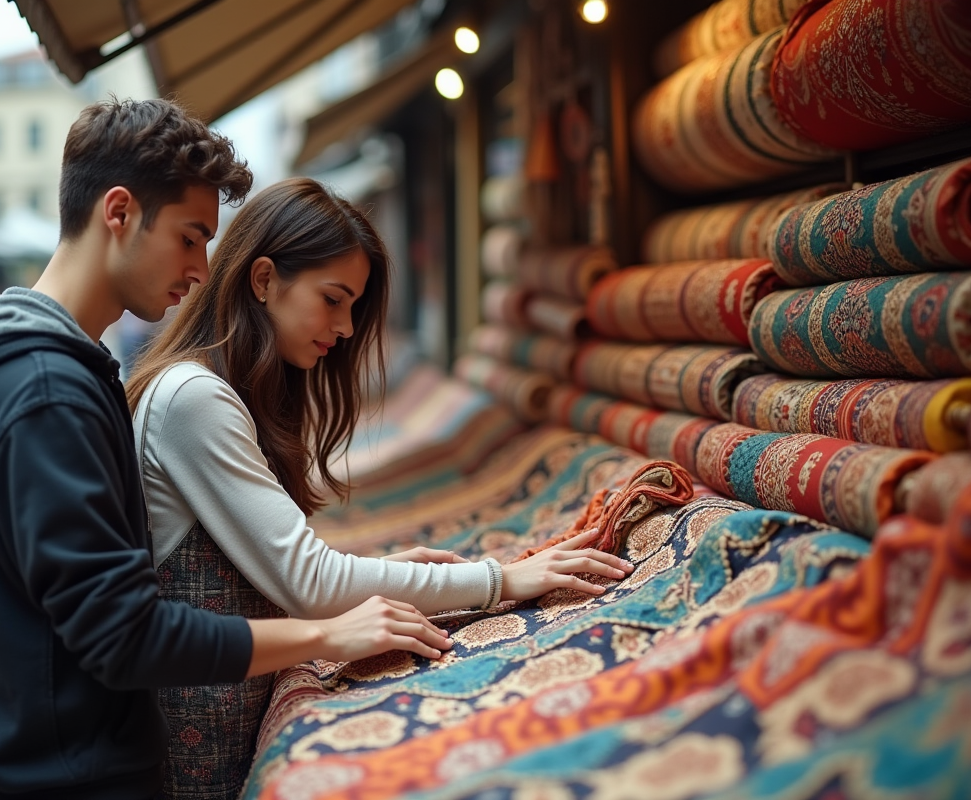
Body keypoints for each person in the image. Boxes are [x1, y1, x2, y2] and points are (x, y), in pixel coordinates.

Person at [0, 99, 452, 800]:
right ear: (120, 212)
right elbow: (124, 635)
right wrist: (322, 636)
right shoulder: (46, 392)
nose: (201, 268)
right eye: (191, 237)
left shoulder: (46, 371)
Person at [124, 177, 635, 799]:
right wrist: (498, 580)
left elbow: (293, 573)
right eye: (333, 300)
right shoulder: (193, 398)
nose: (344, 327)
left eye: (354, 309)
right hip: (191, 763)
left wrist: (386, 571)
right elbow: (308, 583)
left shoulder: (211, 391)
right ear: (263, 281)